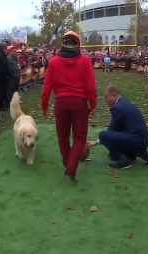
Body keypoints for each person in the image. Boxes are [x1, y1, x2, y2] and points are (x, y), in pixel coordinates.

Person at [41, 31, 97, 181]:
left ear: (63, 43)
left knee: (62, 137)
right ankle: (72, 166)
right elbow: (91, 87)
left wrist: (44, 106)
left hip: (61, 104)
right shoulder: (85, 61)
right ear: (78, 44)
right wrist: (93, 105)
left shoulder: (54, 62)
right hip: (79, 104)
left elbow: (46, 88)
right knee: (79, 138)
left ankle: (68, 164)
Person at [88, 85, 148, 169]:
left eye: (106, 97)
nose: (105, 100)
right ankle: (132, 154)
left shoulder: (117, 108)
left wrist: (96, 142)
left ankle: (124, 161)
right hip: (142, 139)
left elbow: (112, 130)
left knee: (103, 135)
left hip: (135, 139)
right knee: (113, 151)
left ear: (113, 95)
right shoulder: (124, 102)